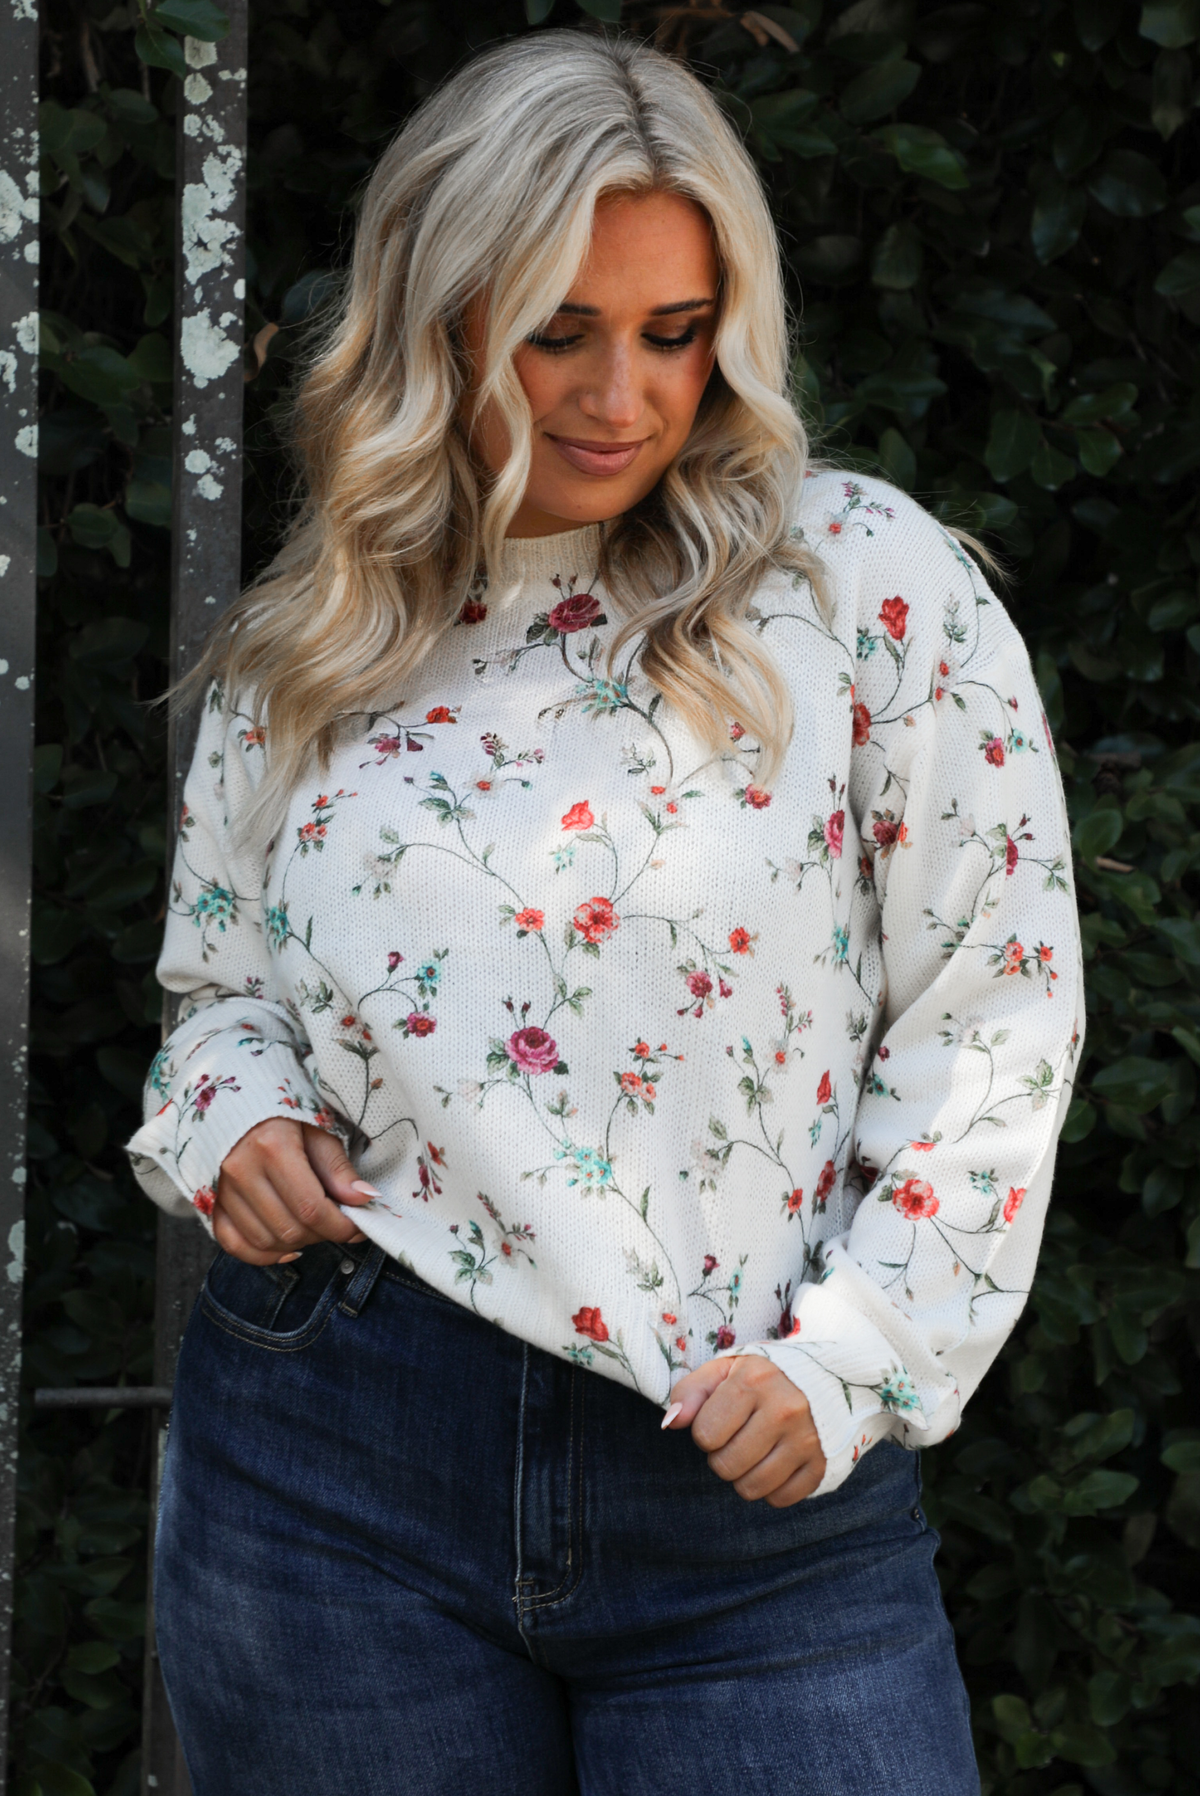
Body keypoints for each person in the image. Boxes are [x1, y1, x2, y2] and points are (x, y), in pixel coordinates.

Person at [128, 29, 1083, 1796]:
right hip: (337, 1465)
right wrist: (236, 1108)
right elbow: (221, 992)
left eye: (671, 331)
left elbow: (994, 1019)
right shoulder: (326, 626)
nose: (623, 396)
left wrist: (860, 1360)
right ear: (441, 314)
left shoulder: (865, 582)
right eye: (557, 331)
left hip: (756, 1488)